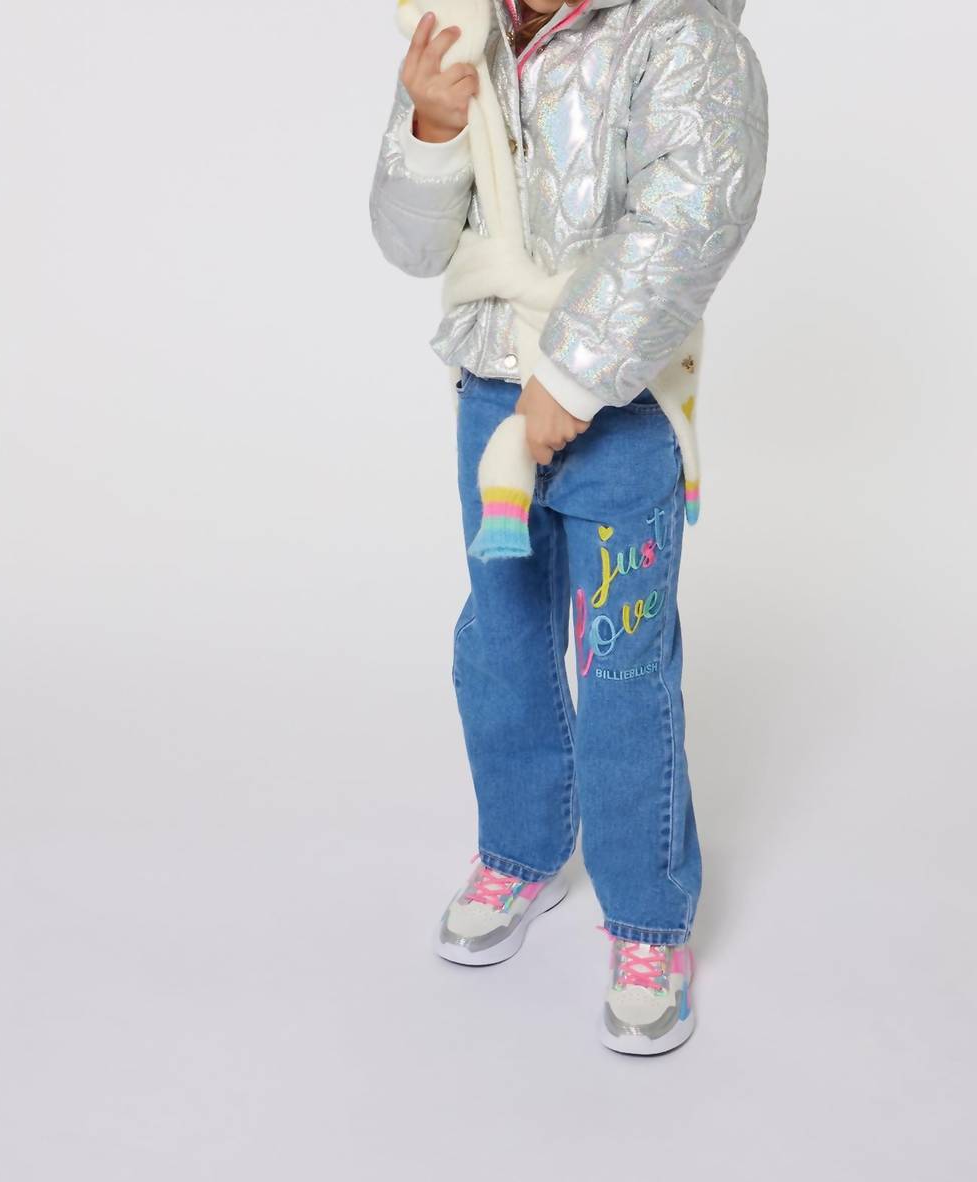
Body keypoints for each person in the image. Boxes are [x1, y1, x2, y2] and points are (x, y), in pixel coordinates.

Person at [368, 0, 768, 1054]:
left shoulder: (681, 37)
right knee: (500, 638)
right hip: (491, 389)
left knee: (623, 666)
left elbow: (690, 218)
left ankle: (647, 920)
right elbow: (411, 246)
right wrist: (431, 126)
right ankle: (522, 848)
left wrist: (578, 373)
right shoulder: (469, 29)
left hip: (619, 404)